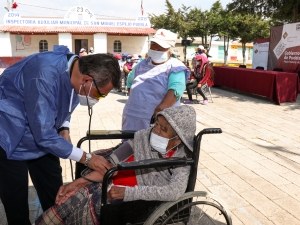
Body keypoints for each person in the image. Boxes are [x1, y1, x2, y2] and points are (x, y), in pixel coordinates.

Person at [0, 45, 121, 225]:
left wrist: (64, 126)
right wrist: (88, 159)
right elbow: (44, 136)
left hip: (42, 133)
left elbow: (66, 99)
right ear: (87, 81)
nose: (97, 99)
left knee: (56, 192)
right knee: (16, 197)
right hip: (10, 132)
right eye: (100, 95)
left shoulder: (76, 67)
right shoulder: (44, 75)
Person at [34, 105, 196, 225]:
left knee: (87, 203)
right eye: (157, 125)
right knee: (75, 194)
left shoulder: (182, 160)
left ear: (178, 139)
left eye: (164, 129)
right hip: (110, 183)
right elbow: (111, 164)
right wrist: (77, 182)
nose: (156, 131)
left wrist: (128, 193)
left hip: (136, 200)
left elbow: (173, 191)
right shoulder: (142, 139)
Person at [123, 29, 190, 131]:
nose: (156, 48)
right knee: (130, 145)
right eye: (153, 44)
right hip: (132, 117)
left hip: (157, 121)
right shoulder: (142, 64)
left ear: (170, 50)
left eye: (161, 46)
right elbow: (130, 81)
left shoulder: (175, 66)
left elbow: (176, 88)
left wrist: (162, 108)